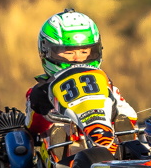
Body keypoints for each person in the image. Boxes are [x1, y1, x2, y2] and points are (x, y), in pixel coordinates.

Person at [24, 9, 138, 157]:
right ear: (47, 52)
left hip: (105, 139)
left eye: (84, 52)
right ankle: (61, 149)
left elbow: (130, 115)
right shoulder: (42, 90)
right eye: (69, 52)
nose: (77, 58)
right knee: (41, 133)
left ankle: (120, 145)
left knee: (121, 119)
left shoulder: (103, 81)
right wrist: (45, 108)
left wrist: (115, 118)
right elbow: (33, 127)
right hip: (67, 149)